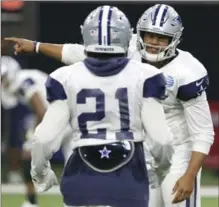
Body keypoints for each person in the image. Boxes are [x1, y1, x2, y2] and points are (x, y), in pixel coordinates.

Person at [6, 3, 215, 207]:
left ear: (174, 39)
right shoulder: (129, 47)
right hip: (142, 151)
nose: (153, 42)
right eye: (149, 35)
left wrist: (189, 174)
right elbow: (80, 52)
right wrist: (36, 46)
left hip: (177, 152)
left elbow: (203, 133)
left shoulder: (187, 72)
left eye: (161, 37)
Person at [30, 5, 173, 207]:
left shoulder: (65, 77)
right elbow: (162, 140)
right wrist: (160, 170)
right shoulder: (147, 75)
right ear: (126, 37)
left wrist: (40, 173)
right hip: (129, 179)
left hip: (80, 178)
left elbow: (43, 138)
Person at [1, 56, 73, 207]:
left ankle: (31, 202)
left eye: (3, 77)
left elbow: (40, 108)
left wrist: (35, 135)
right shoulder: (26, 76)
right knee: (74, 166)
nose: (3, 82)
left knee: (28, 153)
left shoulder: (22, 82)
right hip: (69, 117)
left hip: (59, 119)